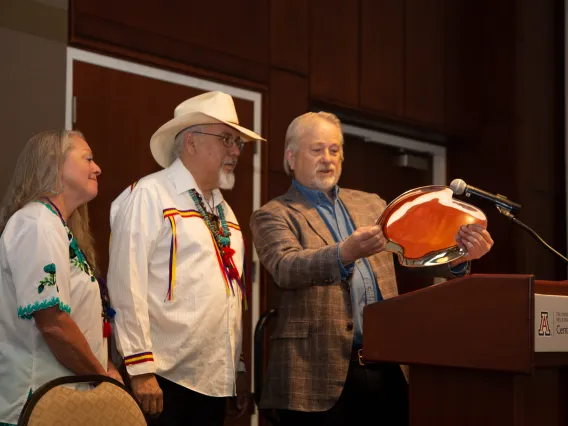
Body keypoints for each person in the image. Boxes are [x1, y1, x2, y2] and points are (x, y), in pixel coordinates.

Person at [250, 112, 494, 426]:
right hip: (313, 375)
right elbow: (287, 268)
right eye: (317, 150)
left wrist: (459, 259)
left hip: (387, 368)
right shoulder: (274, 214)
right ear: (291, 157)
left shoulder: (372, 205)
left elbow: (411, 259)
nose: (328, 159)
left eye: (335, 150)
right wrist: (344, 253)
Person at [107, 91, 265, 426]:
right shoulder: (150, 195)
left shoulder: (225, 212)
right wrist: (139, 369)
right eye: (227, 139)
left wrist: (235, 368)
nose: (236, 151)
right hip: (162, 380)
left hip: (212, 384)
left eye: (238, 142)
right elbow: (126, 283)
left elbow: (230, 294)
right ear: (191, 142)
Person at [0, 130, 122, 426]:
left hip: (62, 402)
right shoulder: (36, 223)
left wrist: (104, 365)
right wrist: (103, 379)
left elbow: (77, 319)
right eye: (88, 158)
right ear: (55, 164)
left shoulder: (55, 226)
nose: (97, 168)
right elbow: (54, 324)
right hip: (35, 406)